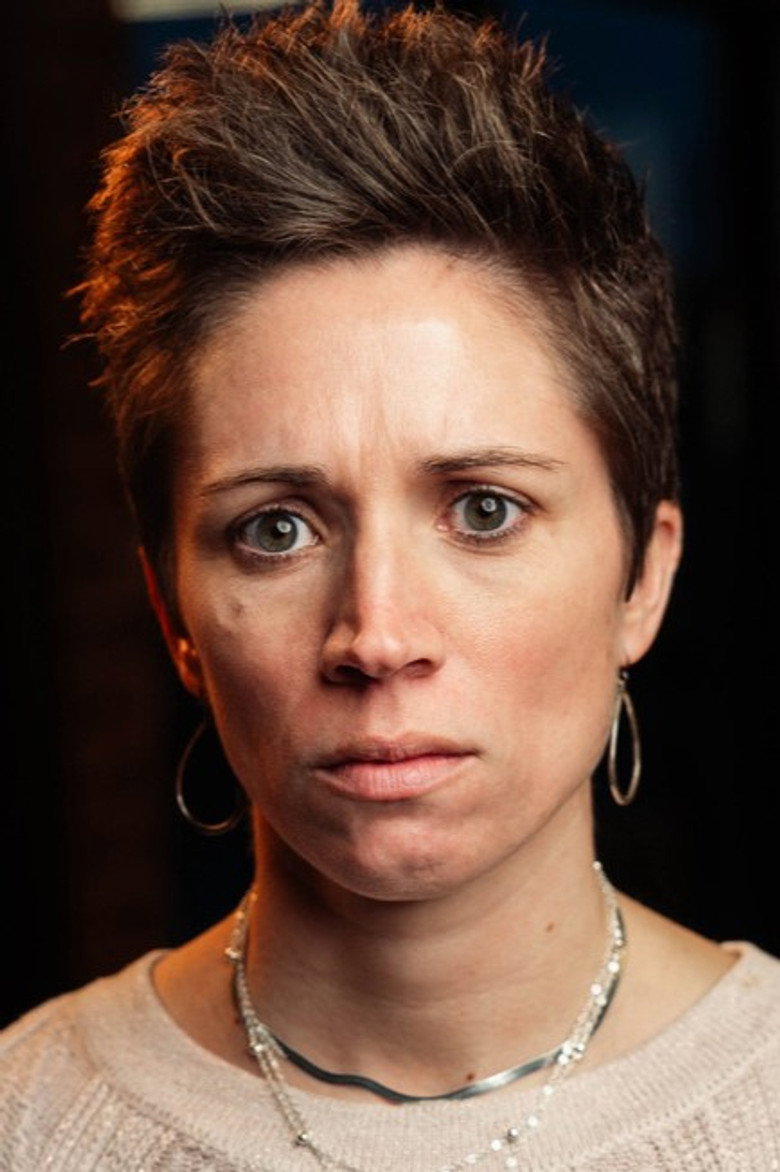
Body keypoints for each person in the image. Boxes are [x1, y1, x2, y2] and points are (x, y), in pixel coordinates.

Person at [2, 2, 779, 1169]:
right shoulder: (27, 1119)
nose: (376, 634)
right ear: (174, 618)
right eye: (276, 529)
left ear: (643, 576)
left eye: (484, 509)